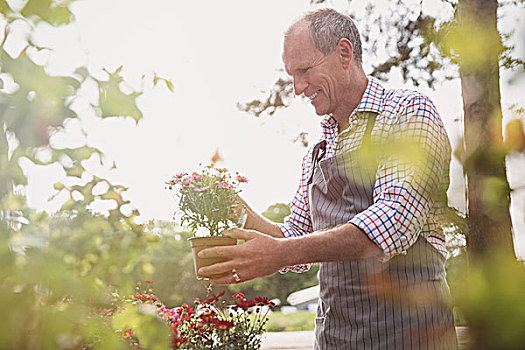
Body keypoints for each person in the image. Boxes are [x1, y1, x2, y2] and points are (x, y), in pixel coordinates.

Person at [198, 8, 458, 349]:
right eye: (292, 75)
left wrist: (279, 253)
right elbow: (295, 237)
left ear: (344, 53)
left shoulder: (407, 113)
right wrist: (236, 209)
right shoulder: (317, 152)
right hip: (338, 337)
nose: (297, 87)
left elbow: (393, 223)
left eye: (304, 70)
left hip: (410, 334)